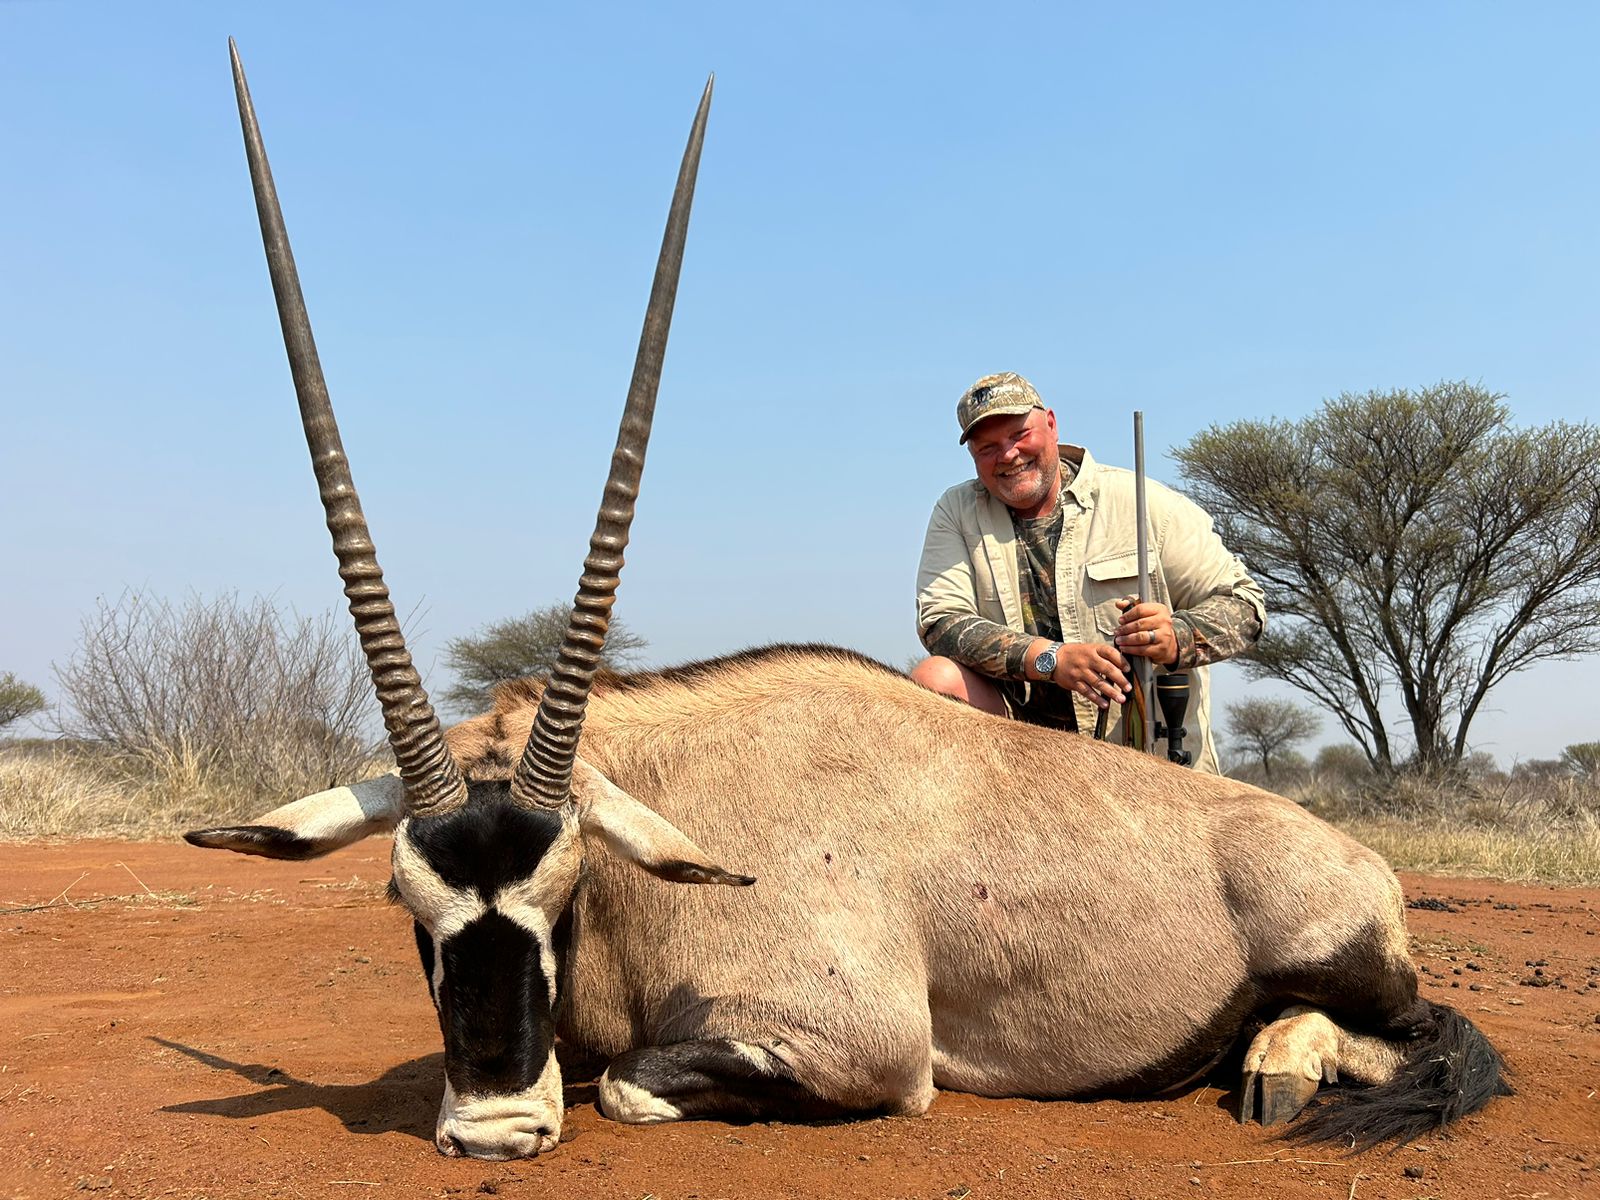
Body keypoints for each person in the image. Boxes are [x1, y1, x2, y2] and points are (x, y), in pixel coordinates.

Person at [911, 372, 1265, 773]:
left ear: (1051, 424)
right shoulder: (956, 512)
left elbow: (1246, 605)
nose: (1008, 455)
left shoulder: (1146, 503)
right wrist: (1050, 659)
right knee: (935, 679)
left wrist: (1177, 637)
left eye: (1019, 435)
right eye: (987, 448)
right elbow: (942, 623)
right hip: (1017, 749)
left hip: (1140, 755)